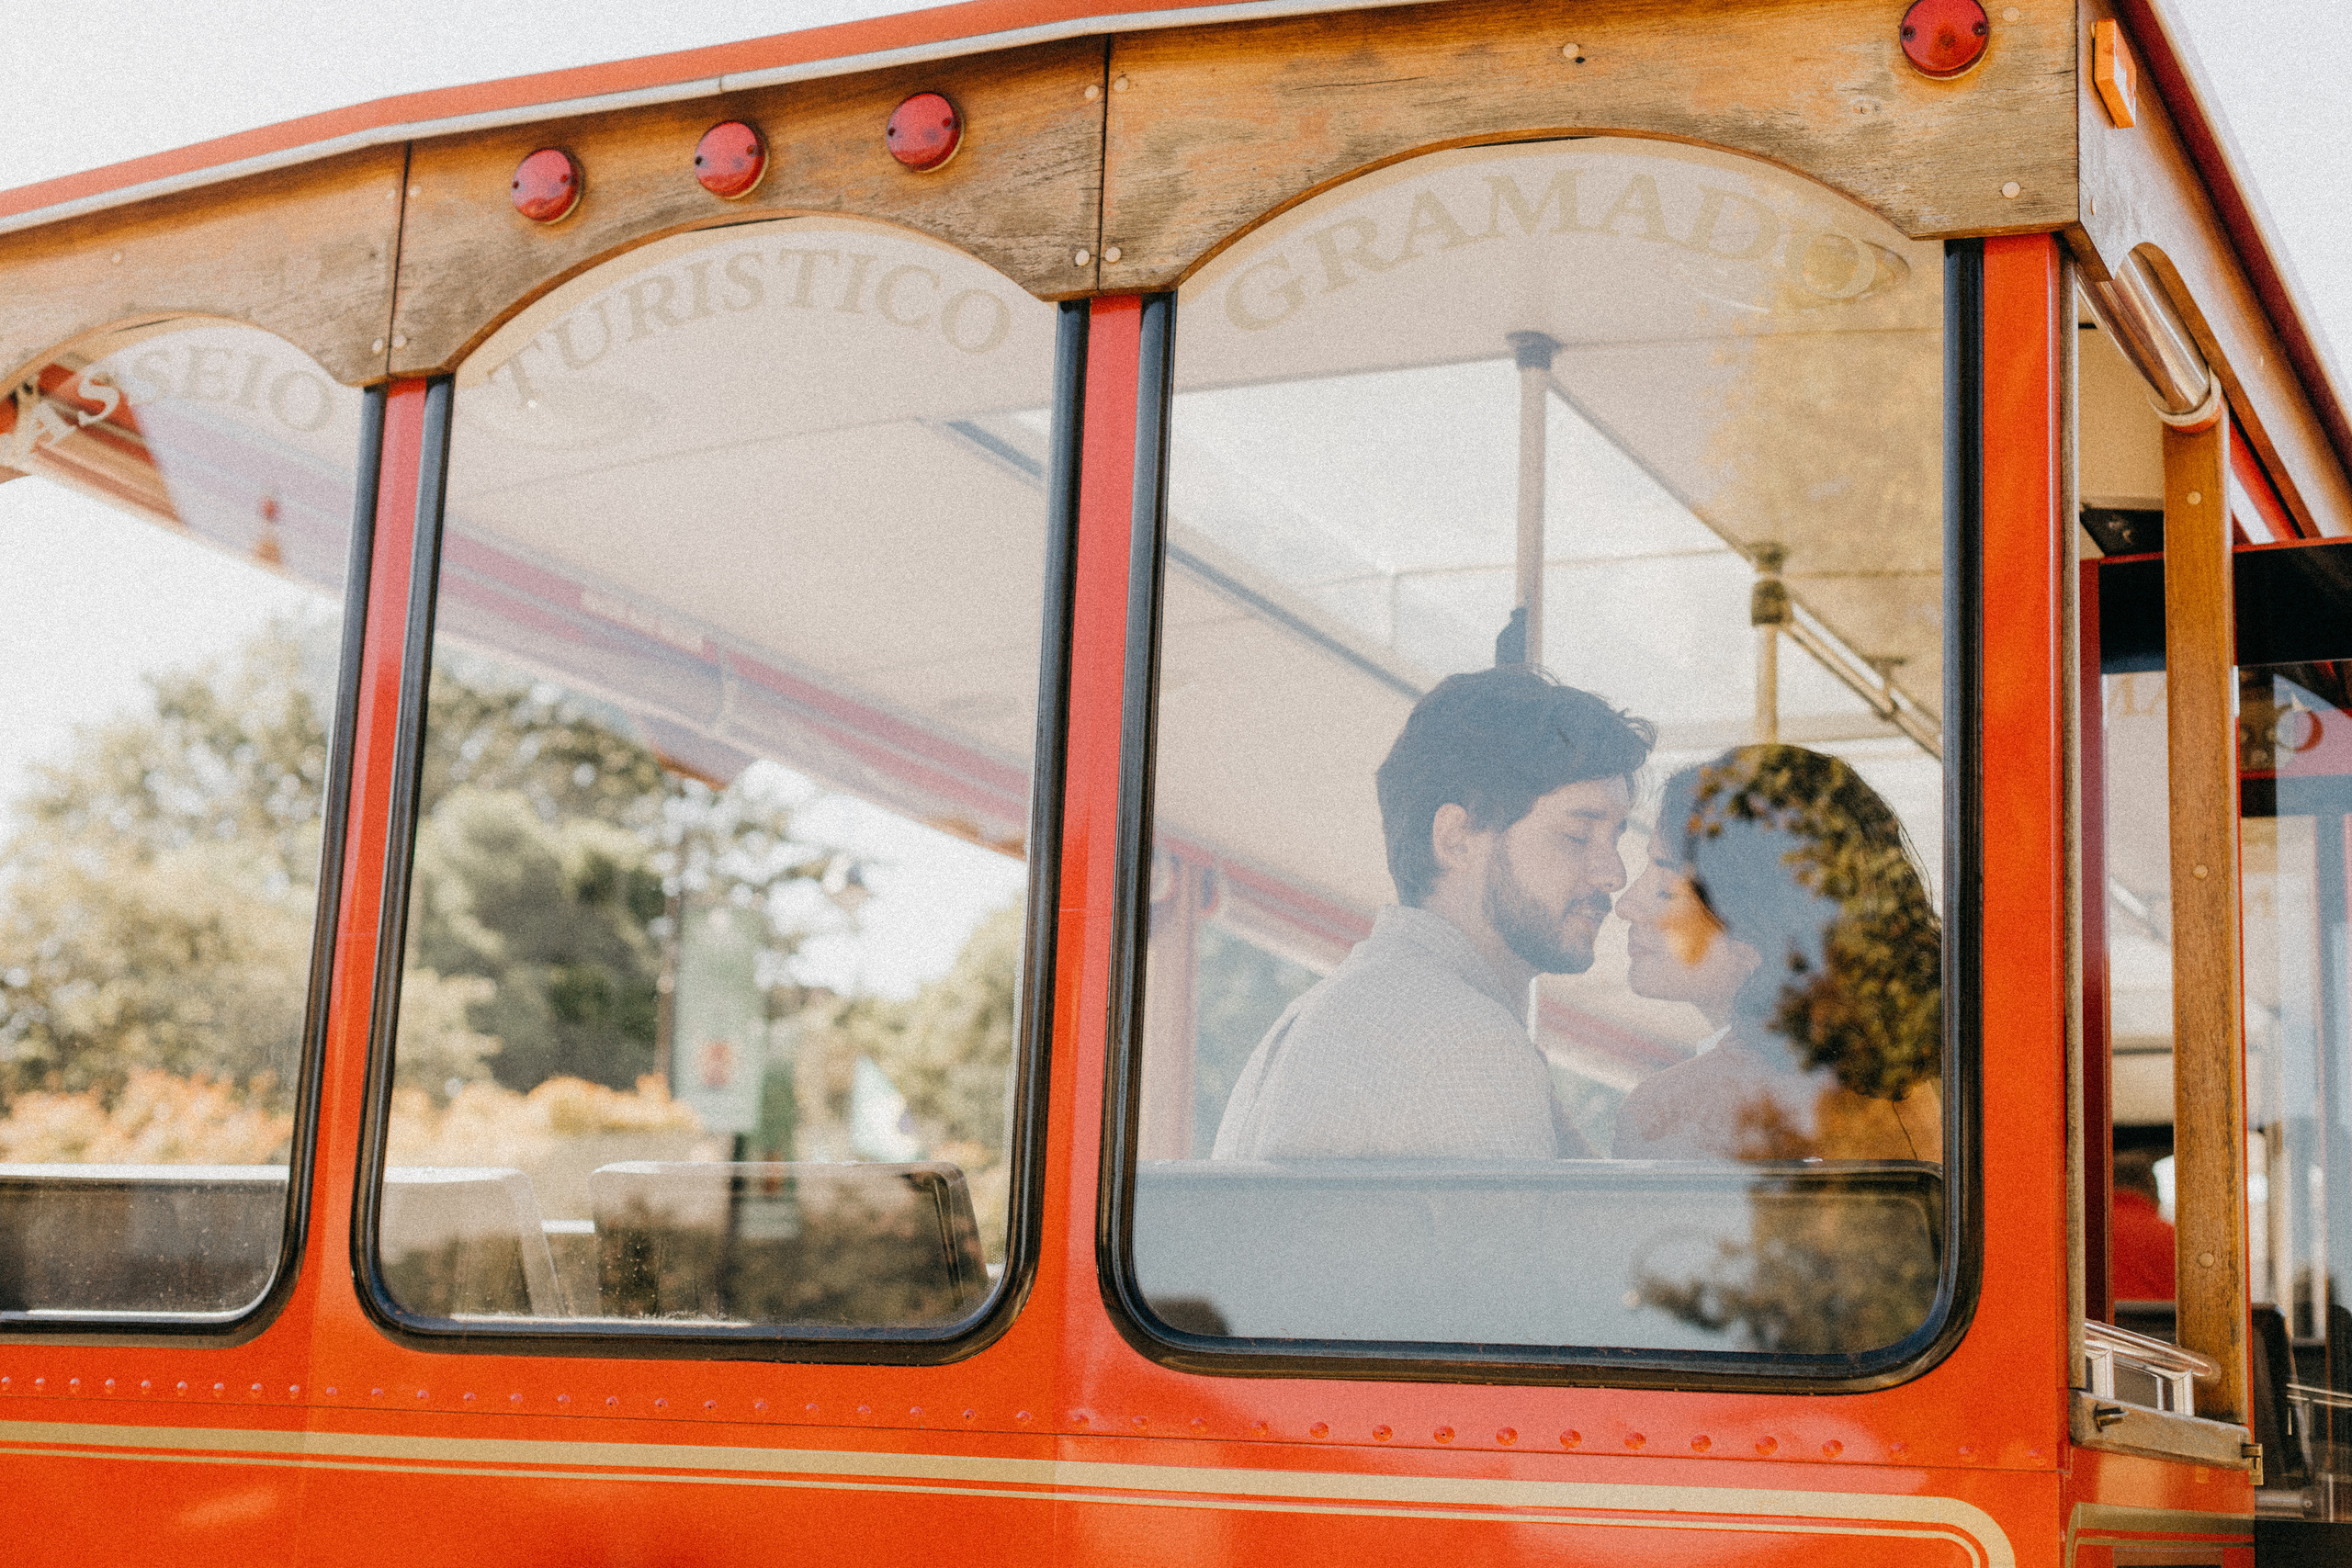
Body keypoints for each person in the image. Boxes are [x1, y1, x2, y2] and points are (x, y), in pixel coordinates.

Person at [1211, 667, 1654, 1161]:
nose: (1614, 873)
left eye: (1615, 838)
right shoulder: (1463, 1041)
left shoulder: (1330, 1011)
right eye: (1577, 835)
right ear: (1457, 838)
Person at [1611, 745, 1942, 1162]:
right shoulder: (1911, 1092)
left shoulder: (1669, 1112)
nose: (1626, 904)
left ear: (1757, 916)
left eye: (1665, 882)